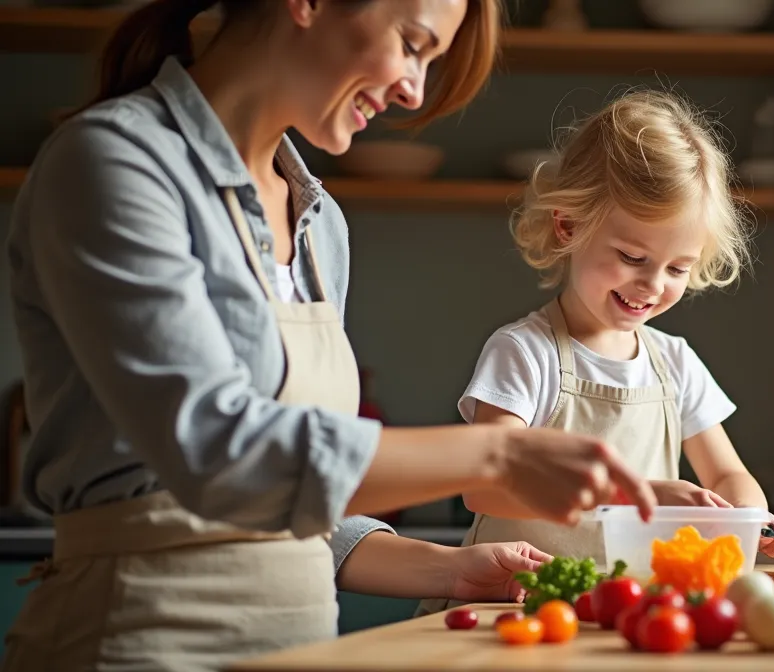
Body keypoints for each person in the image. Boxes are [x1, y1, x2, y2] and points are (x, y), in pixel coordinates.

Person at [1, 1, 656, 670]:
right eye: (412, 44)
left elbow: (294, 498)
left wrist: (449, 569)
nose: (414, 89)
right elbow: (216, 451)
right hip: (134, 645)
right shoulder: (114, 163)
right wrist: (500, 456)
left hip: (299, 649)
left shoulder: (320, 224)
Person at [414, 89, 774, 617]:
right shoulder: (525, 353)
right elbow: (486, 489)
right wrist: (640, 495)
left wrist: (750, 521)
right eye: (633, 256)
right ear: (569, 226)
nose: (653, 284)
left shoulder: (675, 362)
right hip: (511, 608)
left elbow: (729, 476)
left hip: (622, 614)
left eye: (678, 268)